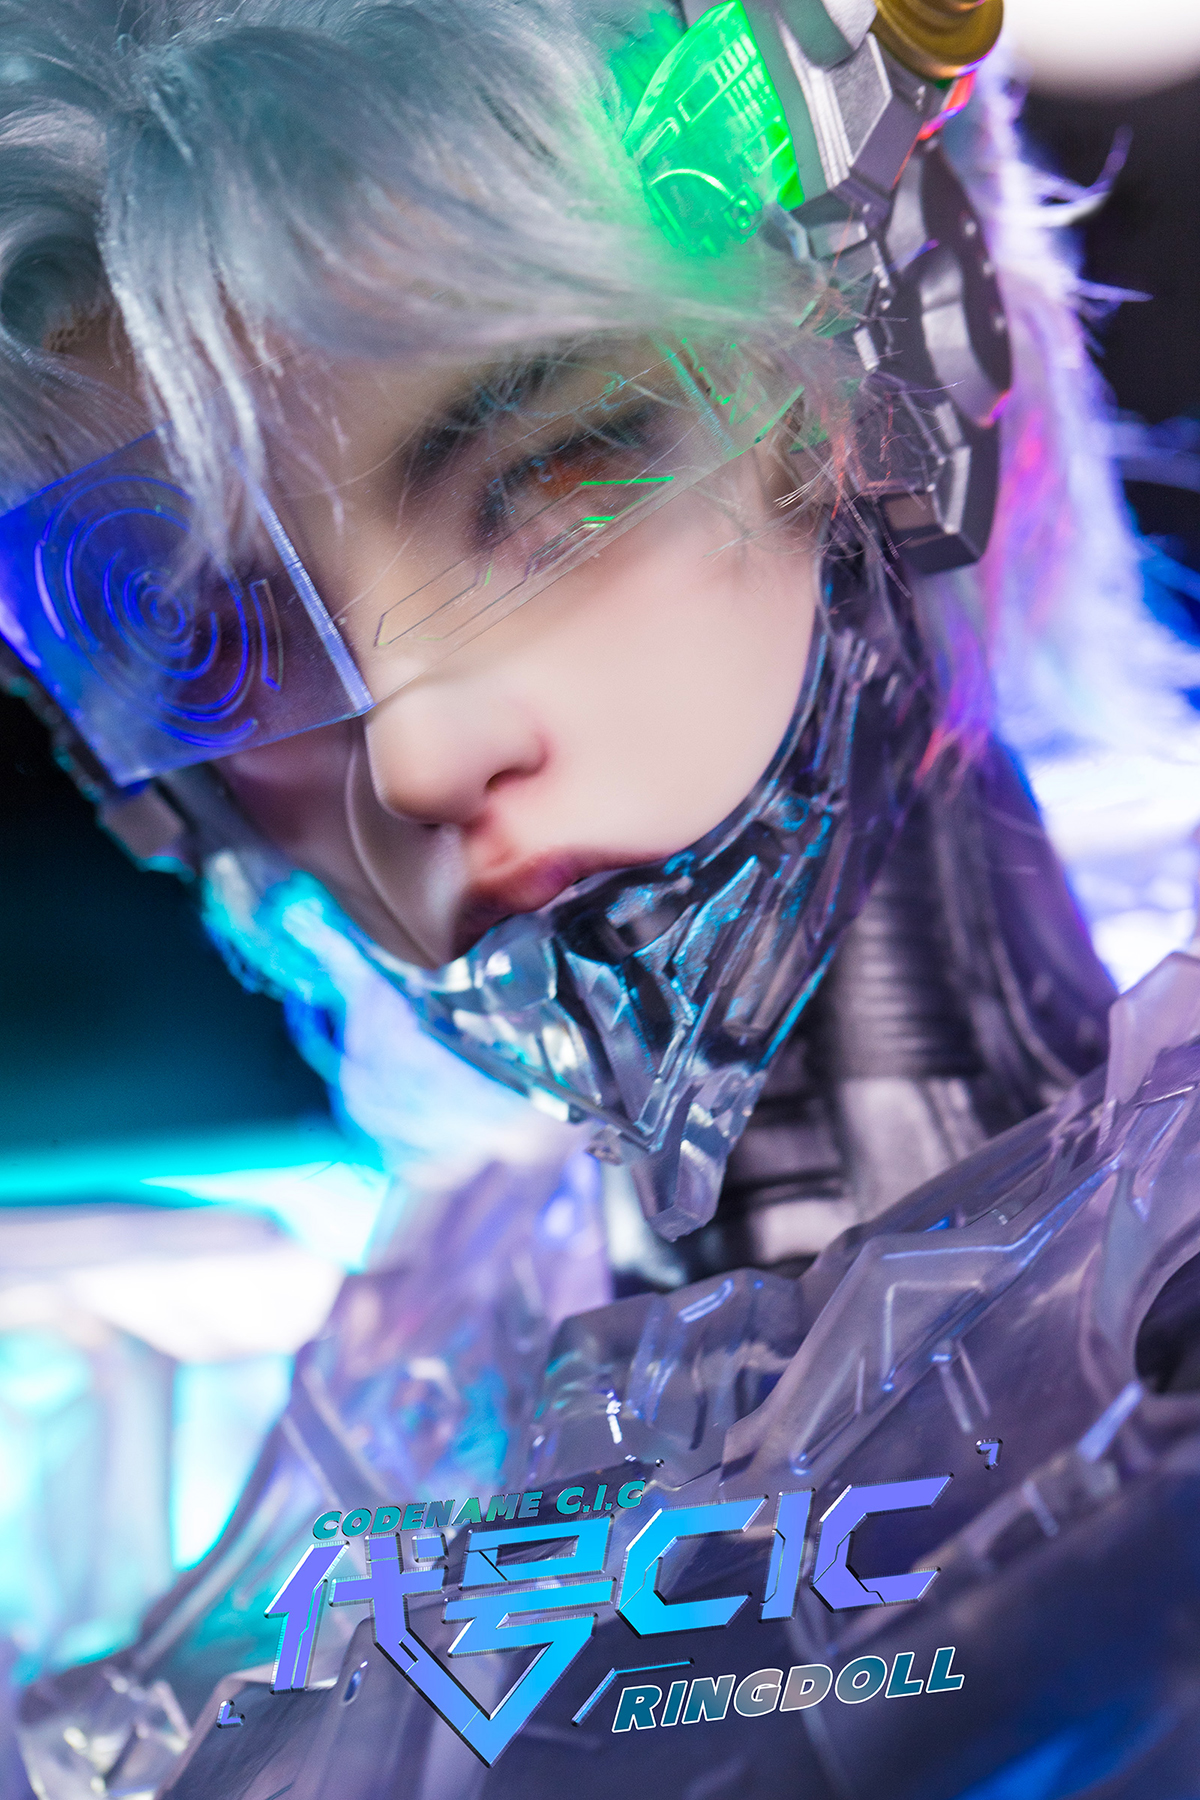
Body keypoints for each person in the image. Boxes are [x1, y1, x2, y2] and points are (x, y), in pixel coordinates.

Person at [4, 0, 1199, 1795]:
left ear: (894, 382)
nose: (414, 751)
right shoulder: (378, 1386)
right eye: (216, 640)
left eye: (558, 473)